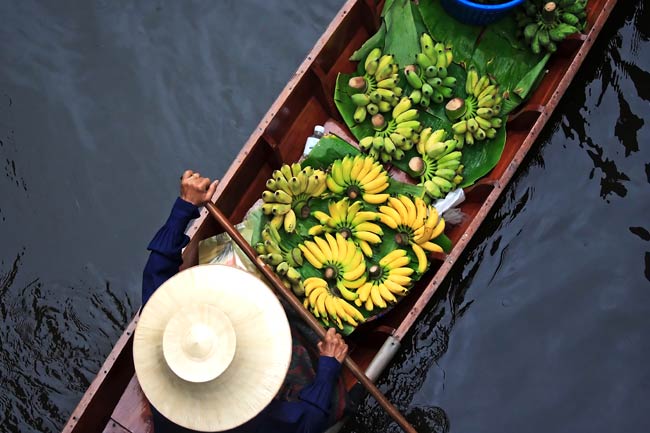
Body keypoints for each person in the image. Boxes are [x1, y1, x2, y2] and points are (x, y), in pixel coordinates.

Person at [136, 170, 349, 433]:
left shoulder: (158, 327)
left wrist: (185, 205)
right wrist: (328, 364)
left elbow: (157, 267)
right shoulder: (248, 421)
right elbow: (307, 422)